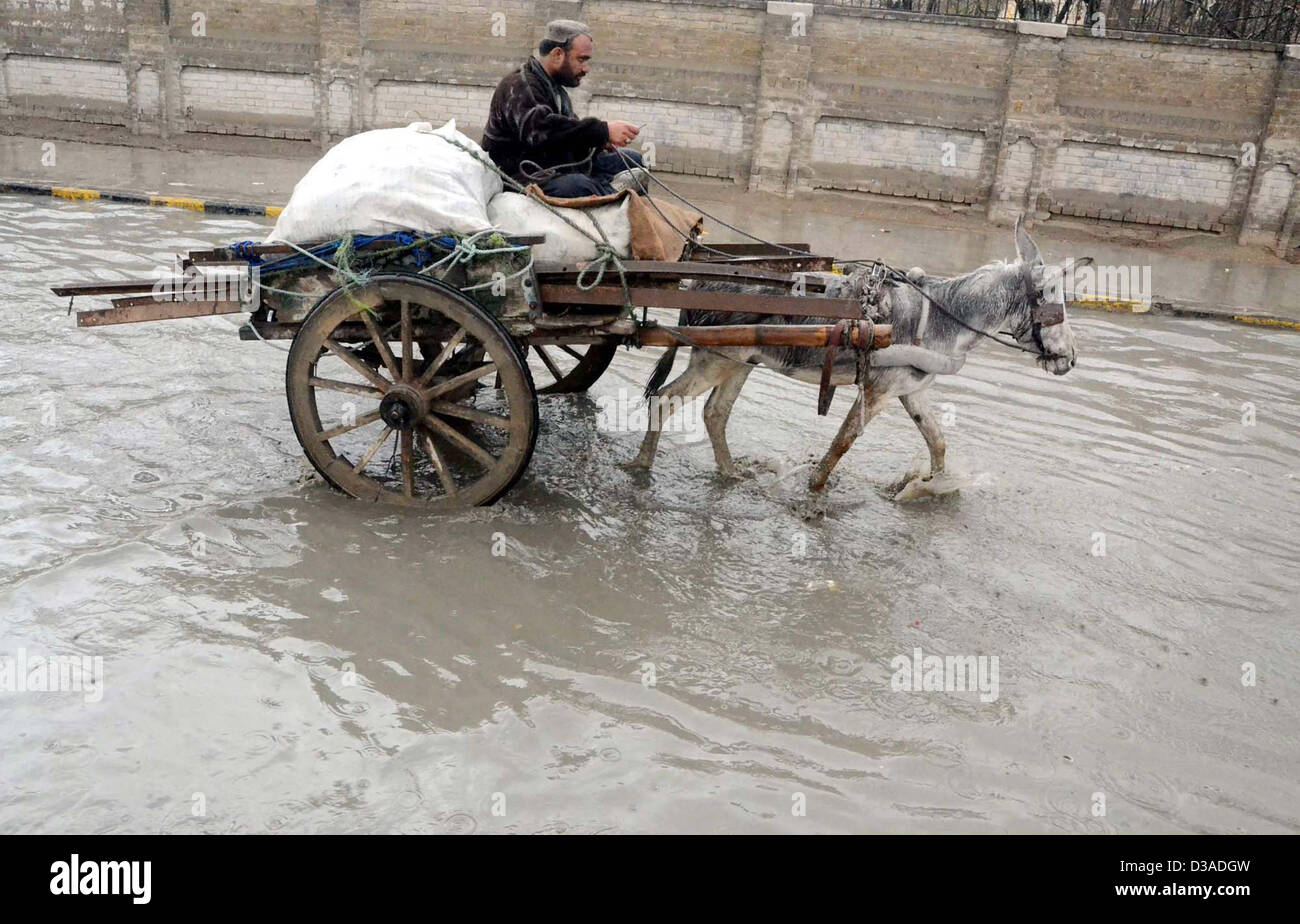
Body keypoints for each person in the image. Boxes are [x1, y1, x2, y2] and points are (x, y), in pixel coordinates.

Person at [481, 19, 649, 198]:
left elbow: (569, 133)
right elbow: (542, 132)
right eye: (581, 59)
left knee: (633, 161)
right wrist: (603, 131)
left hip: (556, 165)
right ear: (557, 54)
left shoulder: (555, 89)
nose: (586, 69)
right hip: (524, 175)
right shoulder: (520, 86)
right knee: (578, 185)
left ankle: (610, 193)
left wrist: (599, 143)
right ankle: (611, 194)